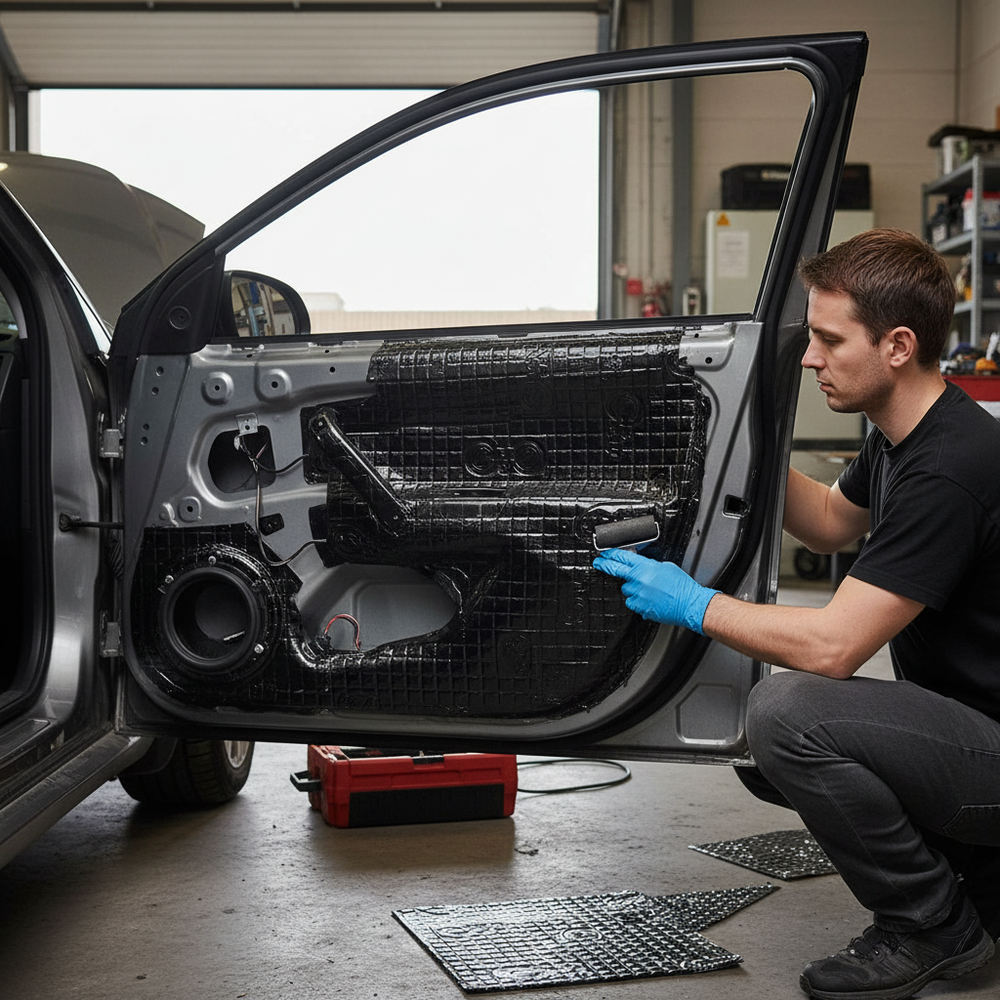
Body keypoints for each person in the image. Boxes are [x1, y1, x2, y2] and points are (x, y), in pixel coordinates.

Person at [595, 228, 1000, 1000]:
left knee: (787, 711)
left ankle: (931, 924)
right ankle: (964, 875)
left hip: (990, 744)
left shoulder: (951, 467)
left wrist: (695, 603)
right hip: (969, 722)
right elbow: (829, 523)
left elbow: (833, 648)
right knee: (769, 734)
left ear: (897, 345)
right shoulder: (903, 437)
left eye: (827, 338)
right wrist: (736, 454)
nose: (811, 357)